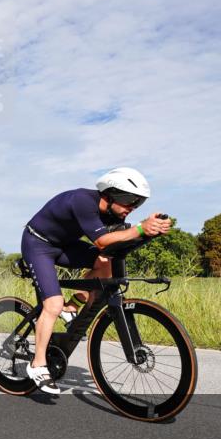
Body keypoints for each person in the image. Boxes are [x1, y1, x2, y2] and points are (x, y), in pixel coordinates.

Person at [20, 167, 170, 394]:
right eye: (130, 202)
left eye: (138, 204)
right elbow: (102, 241)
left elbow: (120, 239)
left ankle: (72, 306)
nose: (132, 208)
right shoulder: (82, 201)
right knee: (52, 304)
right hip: (38, 244)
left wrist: (151, 230)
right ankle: (38, 364)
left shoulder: (113, 212)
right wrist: (141, 227)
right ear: (111, 195)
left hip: (65, 246)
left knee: (104, 263)